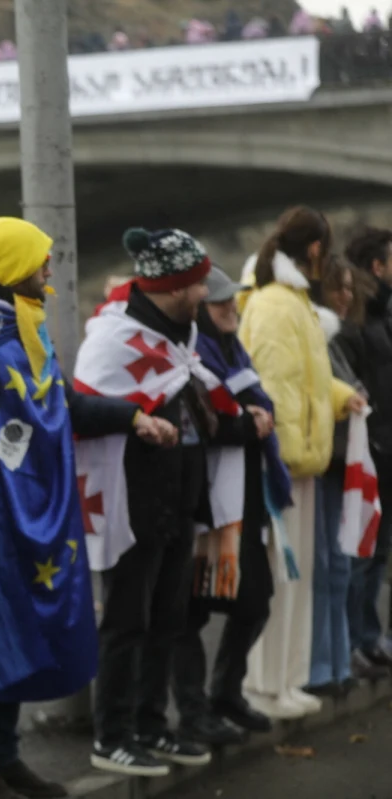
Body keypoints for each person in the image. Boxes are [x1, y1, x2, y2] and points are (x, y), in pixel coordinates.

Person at [0, 219, 173, 798]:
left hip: (32, 506)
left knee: (18, 629)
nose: (50, 269)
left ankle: (5, 756)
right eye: (41, 260)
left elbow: (60, 403)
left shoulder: (24, 326)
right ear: (12, 266)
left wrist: (130, 416)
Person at [79, 228, 226, 778]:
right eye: (198, 280)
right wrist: (137, 420)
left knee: (167, 619)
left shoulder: (177, 334)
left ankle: (151, 725)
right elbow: (88, 405)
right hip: (131, 499)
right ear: (175, 286)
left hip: (177, 496)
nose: (205, 289)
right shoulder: (116, 338)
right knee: (125, 622)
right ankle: (111, 736)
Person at [238, 206, 365, 720]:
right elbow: (273, 385)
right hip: (286, 462)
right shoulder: (276, 304)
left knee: (296, 579)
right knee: (277, 577)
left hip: (299, 460)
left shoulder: (292, 303)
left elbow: (306, 383)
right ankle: (264, 685)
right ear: (314, 250)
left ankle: (284, 681)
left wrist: (339, 398)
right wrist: (286, 454)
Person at [170, 266, 282, 743]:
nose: (228, 309)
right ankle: (195, 712)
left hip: (241, 498)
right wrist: (247, 424)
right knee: (192, 611)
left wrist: (259, 418)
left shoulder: (233, 349)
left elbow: (251, 403)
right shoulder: (194, 352)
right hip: (206, 498)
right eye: (218, 302)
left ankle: (225, 694)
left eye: (230, 301)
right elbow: (202, 420)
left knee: (255, 601)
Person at [309, 257, 366, 694]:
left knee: (340, 564)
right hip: (325, 460)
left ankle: (337, 661)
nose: (345, 297)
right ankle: (323, 666)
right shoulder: (322, 337)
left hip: (343, 459)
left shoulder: (339, 338)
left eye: (349, 288)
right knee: (327, 564)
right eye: (336, 289)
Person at [337, 227, 392, 674]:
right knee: (362, 549)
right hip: (370, 445)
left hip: (383, 443)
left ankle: (369, 637)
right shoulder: (358, 321)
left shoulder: (379, 314)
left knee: (378, 548)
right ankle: (353, 641)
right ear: (378, 265)